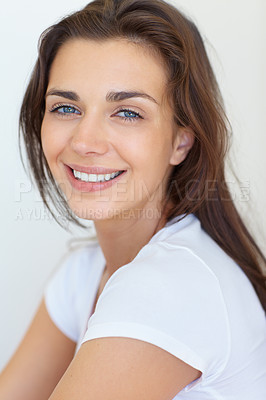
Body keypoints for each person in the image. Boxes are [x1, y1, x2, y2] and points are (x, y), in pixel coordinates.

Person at [0, 0, 265, 398]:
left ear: (181, 140)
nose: (85, 142)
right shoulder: (84, 273)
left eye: (127, 113)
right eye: (66, 107)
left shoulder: (170, 286)